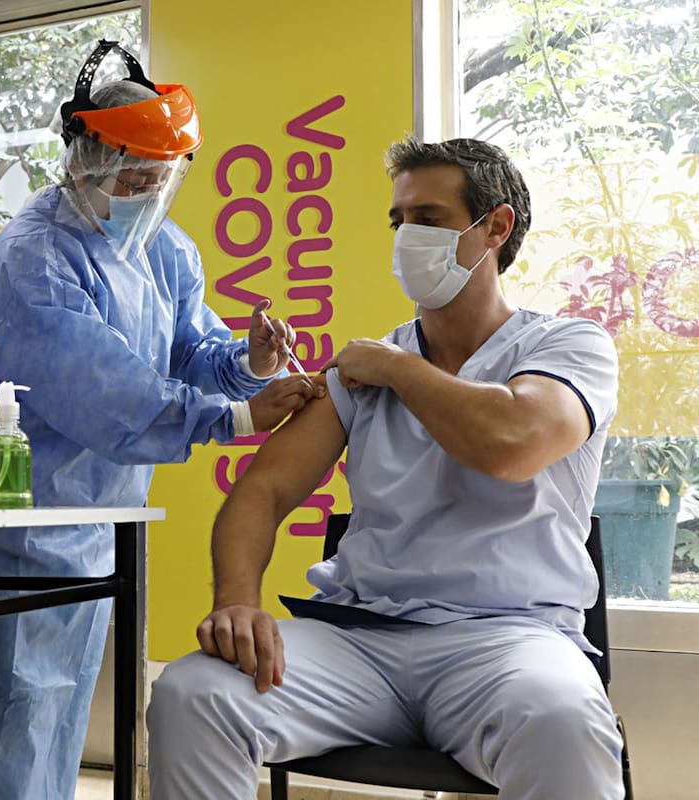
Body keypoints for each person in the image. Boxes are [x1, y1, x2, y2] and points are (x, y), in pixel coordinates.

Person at [146, 138, 626, 799]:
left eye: (428, 219)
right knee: (194, 691)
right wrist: (237, 603)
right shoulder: (359, 375)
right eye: (399, 221)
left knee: (563, 719)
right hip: (360, 643)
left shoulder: (567, 347)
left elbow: (511, 444)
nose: (407, 237)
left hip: (508, 641)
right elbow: (263, 489)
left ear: (495, 227)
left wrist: (399, 369)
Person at [0, 42, 320, 799]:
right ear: (84, 161)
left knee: (59, 730)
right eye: (134, 179)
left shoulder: (161, 251)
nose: (147, 196)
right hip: (16, 540)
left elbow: (193, 350)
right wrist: (238, 418)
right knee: (1, 741)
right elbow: (106, 396)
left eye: (159, 181)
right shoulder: (33, 260)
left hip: (91, 536)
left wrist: (251, 361)